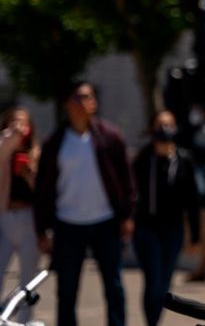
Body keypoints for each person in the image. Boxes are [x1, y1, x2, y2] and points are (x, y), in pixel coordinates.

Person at [34, 81, 135, 326]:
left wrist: (127, 216)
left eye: (88, 97)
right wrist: (42, 229)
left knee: (114, 287)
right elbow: (43, 189)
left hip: (106, 222)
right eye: (77, 97)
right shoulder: (55, 143)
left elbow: (126, 180)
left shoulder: (110, 138)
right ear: (68, 104)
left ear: (94, 103)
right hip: (68, 225)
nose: (83, 102)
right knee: (67, 290)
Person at [132, 111, 201, 325]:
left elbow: (192, 199)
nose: (164, 130)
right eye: (160, 125)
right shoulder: (144, 158)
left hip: (173, 230)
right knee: (153, 279)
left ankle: (155, 321)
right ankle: (151, 323)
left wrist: (195, 236)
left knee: (164, 282)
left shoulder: (183, 160)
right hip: (146, 229)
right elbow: (130, 190)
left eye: (168, 125)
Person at [0, 107, 41, 324]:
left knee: (28, 277)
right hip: (5, 218)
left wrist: (28, 172)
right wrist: (12, 136)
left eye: (23, 123)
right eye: (14, 121)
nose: (19, 126)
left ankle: (24, 321)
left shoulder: (35, 151)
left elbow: (42, 190)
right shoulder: (3, 147)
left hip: (28, 219)